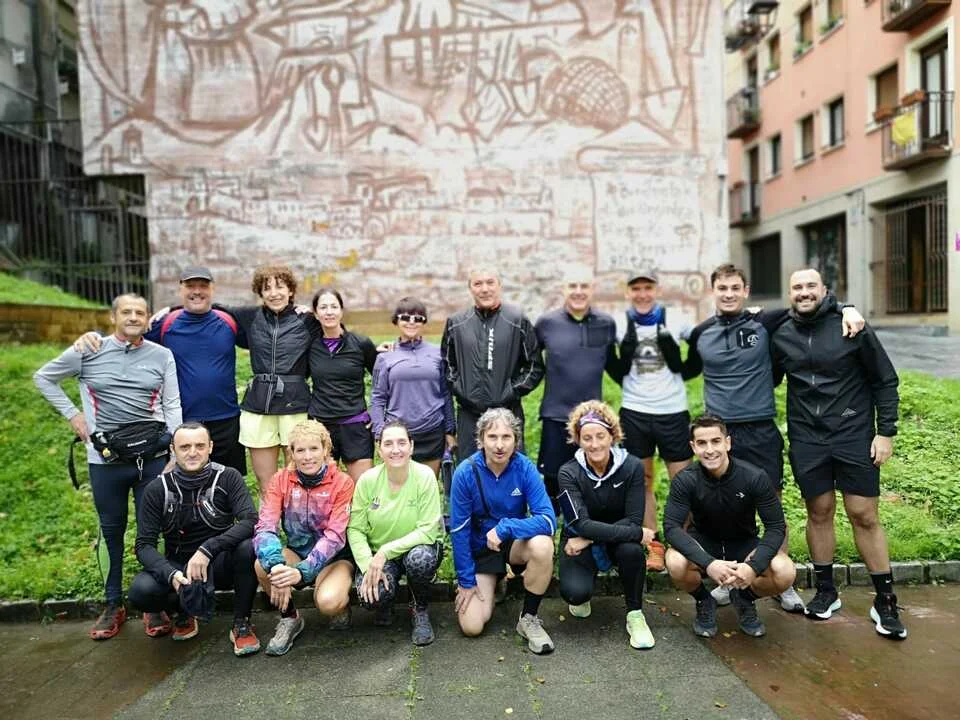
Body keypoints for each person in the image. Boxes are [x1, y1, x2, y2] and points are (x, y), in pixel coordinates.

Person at [682, 263, 864, 613]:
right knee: (721, 506)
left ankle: (781, 581)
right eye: (722, 288)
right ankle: (727, 578)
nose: (729, 294)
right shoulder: (700, 332)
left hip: (760, 430)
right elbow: (684, 369)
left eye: (735, 288)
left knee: (772, 506)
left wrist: (847, 307)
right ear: (713, 291)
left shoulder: (765, 322)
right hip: (719, 433)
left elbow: (810, 304)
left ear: (746, 291)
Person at [33, 293, 182, 640]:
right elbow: (44, 377)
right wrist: (73, 415)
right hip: (105, 460)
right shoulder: (88, 350)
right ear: (113, 317)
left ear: (148, 319)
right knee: (111, 531)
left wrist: (175, 449)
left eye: (140, 312)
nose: (133, 317)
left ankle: (153, 603)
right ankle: (113, 603)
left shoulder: (162, 355)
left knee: (152, 530)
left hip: (151, 460)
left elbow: (172, 403)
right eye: (126, 312)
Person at [771, 269, 905, 640]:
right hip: (807, 437)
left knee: (864, 514)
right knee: (819, 511)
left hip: (852, 433)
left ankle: (885, 599)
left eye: (810, 286)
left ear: (825, 290)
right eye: (797, 287)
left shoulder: (852, 326)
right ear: (790, 293)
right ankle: (826, 590)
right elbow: (768, 376)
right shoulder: (781, 333)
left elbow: (885, 380)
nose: (804, 292)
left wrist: (885, 432)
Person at [71, 267, 247, 474]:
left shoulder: (228, 322)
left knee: (227, 483)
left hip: (226, 421)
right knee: (183, 484)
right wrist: (93, 336)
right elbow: (124, 340)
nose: (197, 291)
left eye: (203, 286)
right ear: (180, 289)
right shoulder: (165, 323)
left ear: (212, 288)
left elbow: (263, 336)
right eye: (190, 286)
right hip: (180, 421)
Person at [128, 422, 261, 655]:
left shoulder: (228, 477)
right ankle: (184, 610)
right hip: (180, 567)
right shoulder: (157, 488)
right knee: (141, 591)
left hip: (219, 562)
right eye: (185, 447)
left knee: (247, 548)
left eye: (200, 446)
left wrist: (208, 549)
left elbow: (250, 521)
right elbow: (144, 545)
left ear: (210, 447)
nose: (192, 452)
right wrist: (170, 574)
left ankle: (241, 622)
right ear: (173, 449)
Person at [664, 415, 796, 639]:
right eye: (702, 443)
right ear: (693, 447)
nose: (710, 450)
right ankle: (704, 600)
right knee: (675, 562)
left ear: (728, 443)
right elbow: (671, 528)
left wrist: (753, 566)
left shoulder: (754, 477)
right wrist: (709, 563)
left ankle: (744, 598)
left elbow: (775, 526)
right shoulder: (685, 479)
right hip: (704, 544)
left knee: (784, 572)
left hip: (744, 543)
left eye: (716, 441)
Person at [449, 408, 557, 654]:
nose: (499, 445)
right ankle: (496, 580)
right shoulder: (465, 472)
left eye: (506, 437)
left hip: (512, 543)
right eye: (492, 437)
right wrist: (466, 581)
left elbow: (548, 521)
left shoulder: (524, 468)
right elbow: (459, 531)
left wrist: (507, 527)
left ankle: (528, 618)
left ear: (515, 440)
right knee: (472, 626)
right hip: (482, 549)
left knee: (543, 545)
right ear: (481, 440)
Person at [556, 401, 655, 650]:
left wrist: (590, 538)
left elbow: (634, 518)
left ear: (613, 435)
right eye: (587, 438)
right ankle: (584, 584)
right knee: (575, 594)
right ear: (578, 440)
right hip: (577, 538)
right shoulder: (567, 473)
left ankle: (635, 614)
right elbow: (581, 524)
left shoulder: (632, 466)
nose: (595, 444)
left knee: (632, 551)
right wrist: (635, 533)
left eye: (600, 436)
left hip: (600, 540)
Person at [252, 420, 355, 655]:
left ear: (326, 449)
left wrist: (304, 571)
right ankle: (290, 617)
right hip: (297, 552)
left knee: (328, 602)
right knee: (261, 565)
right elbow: (265, 525)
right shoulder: (280, 480)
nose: (307, 456)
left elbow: (335, 535)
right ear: (291, 453)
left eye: (314, 449)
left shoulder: (342, 482)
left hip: (335, 558)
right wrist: (276, 565)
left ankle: (340, 605)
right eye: (300, 450)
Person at [616, 268, 692, 572]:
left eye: (648, 288)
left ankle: (684, 543)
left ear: (656, 290)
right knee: (642, 480)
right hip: (635, 410)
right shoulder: (620, 323)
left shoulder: (677, 319)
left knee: (683, 481)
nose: (642, 294)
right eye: (636, 289)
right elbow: (610, 362)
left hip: (672, 409)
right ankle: (654, 545)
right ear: (629, 292)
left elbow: (701, 344)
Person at [347, 421, 445, 645]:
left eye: (402, 443)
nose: (396, 449)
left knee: (420, 560)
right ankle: (386, 603)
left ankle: (419, 608)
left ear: (411, 446)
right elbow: (355, 529)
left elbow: (428, 531)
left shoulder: (425, 476)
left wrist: (385, 551)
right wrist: (368, 564)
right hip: (381, 557)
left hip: (418, 549)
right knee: (371, 597)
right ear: (379, 449)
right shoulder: (368, 480)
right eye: (388, 444)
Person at [534, 268, 621, 506]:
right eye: (572, 286)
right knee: (553, 480)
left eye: (584, 286)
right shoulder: (546, 323)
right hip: (555, 416)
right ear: (563, 289)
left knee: (593, 479)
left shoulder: (606, 324)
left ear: (593, 289)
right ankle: (552, 524)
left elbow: (616, 367)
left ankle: (587, 524)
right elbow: (530, 364)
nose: (578, 291)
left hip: (592, 420)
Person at [231, 265, 316, 494]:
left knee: (298, 476)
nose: (274, 293)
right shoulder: (250, 316)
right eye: (267, 288)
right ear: (260, 293)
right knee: (266, 481)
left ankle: (297, 516)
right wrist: (173, 309)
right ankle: (268, 517)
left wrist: (317, 311)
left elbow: (336, 334)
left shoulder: (307, 319)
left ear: (291, 290)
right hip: (258, 403)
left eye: (280, 287)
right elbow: (212, 308)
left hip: (295, 403)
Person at [441, 267, 544, 451]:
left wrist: (511, 391)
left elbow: (534, 366)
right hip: (469, 415)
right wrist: (462, 390)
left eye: (490, 282)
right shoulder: (456, 323)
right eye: (478, 284)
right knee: (471, 466)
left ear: (499, 286)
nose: (485, 289)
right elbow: (447, 364)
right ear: (470, 289)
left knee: (509, 465)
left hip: (508, 413)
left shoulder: (518, 321)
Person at [369, 297, 456, 477]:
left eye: (417, 318)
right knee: (398, 487)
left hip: (432, 433)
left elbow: (446, 393)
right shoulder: (385, 356)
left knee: (428, 486)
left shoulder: (438, 353)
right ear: (396, 320)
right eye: (405, 317)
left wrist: (450, 430)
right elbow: (377, 398)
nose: (411, 322)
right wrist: (379, 433)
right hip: (398, 437)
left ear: (424, 322)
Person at [307, 288, 378, 481]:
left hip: (355, 426)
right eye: (323, 307)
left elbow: (381, 378)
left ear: (341, 310)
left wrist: (378, 412)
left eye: (334, 306)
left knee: (363, 488)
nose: (329, 312)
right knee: (323, 489)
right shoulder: (310, 346)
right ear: (315, 314)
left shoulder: (361, 343)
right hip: (321, 427)